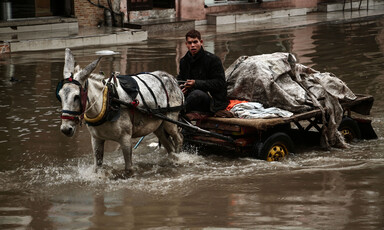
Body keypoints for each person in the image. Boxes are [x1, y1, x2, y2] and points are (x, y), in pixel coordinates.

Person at [177, 29, 231, 119]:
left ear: (201, 42)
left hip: (212, 101)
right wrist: (181, 87)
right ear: (186, 44)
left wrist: (196, 83)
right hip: (190, 96)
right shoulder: (184, 61)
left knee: (196, 94)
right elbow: (180, 78)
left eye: (195, 42)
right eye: (190, 43)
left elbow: (220, 83)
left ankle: (180, 113)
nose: (192, 45)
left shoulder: (213, 60)